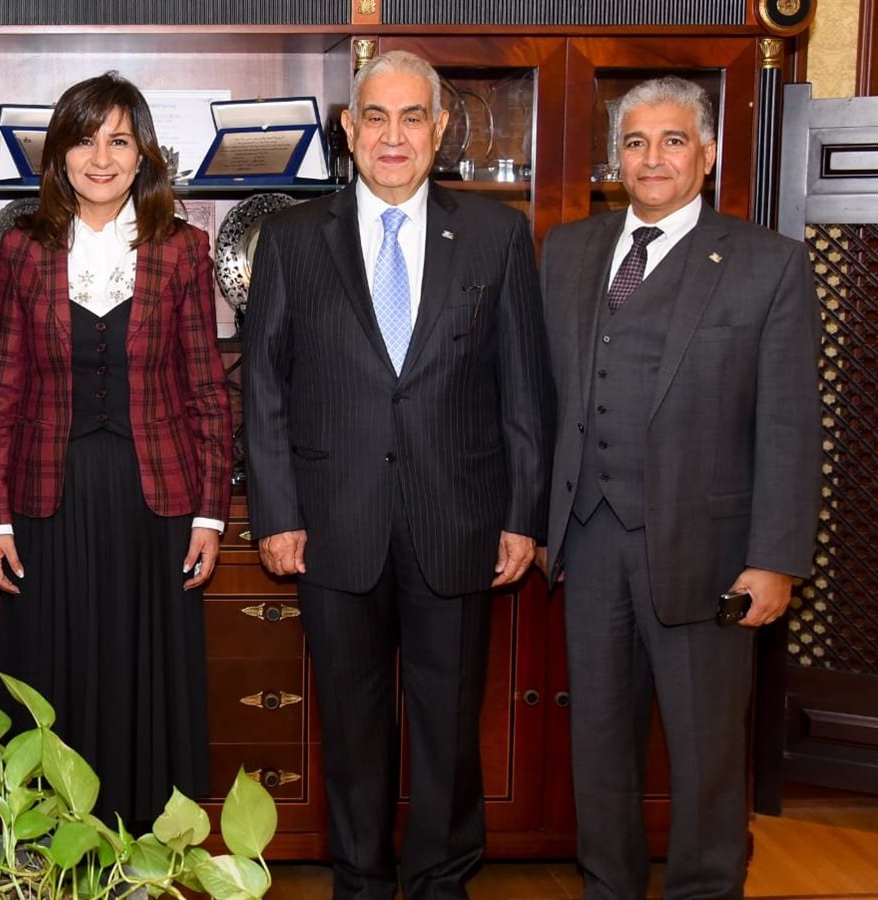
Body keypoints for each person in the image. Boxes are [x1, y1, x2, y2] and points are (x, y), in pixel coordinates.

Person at [242, 50, 551, 899]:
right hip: (332, 523)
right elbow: (264, 387)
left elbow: (525, 389)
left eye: (412, 117)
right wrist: (276, 513)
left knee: (449, 727)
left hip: (460, 523)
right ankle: (361, 882)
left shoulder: (495, 235)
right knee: (352, 727)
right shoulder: (292, 239)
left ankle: (441, 883)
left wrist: (523, 516)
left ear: (440, 130)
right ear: (349, 129)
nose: (393, 135)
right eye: (375, 117)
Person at [540, 76, 820, 899]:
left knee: (706, 755)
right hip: (589, 540)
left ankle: (706, 890)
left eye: (672, 141)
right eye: (635, 142)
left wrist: (775, 560)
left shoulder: (767, 263)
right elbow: (541, 397)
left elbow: (789, 424)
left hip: (712, 555)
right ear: (616, 158)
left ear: (708, 154)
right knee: (599, 745)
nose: (652, 158)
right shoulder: (567, 252)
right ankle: (609, 887)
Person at [0, 72, 232, 825]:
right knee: (52, 676)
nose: (101, 158)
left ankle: (141, 849)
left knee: (142, 677)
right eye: (84, 140)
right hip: (47, 503)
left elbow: (206, 389)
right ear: (59, 154)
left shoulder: (183, 250)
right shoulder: (23, 249)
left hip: (156, 506)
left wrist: (210, 515)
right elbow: (0, 391)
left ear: (142, 154)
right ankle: (47, 849)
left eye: (118, 141)